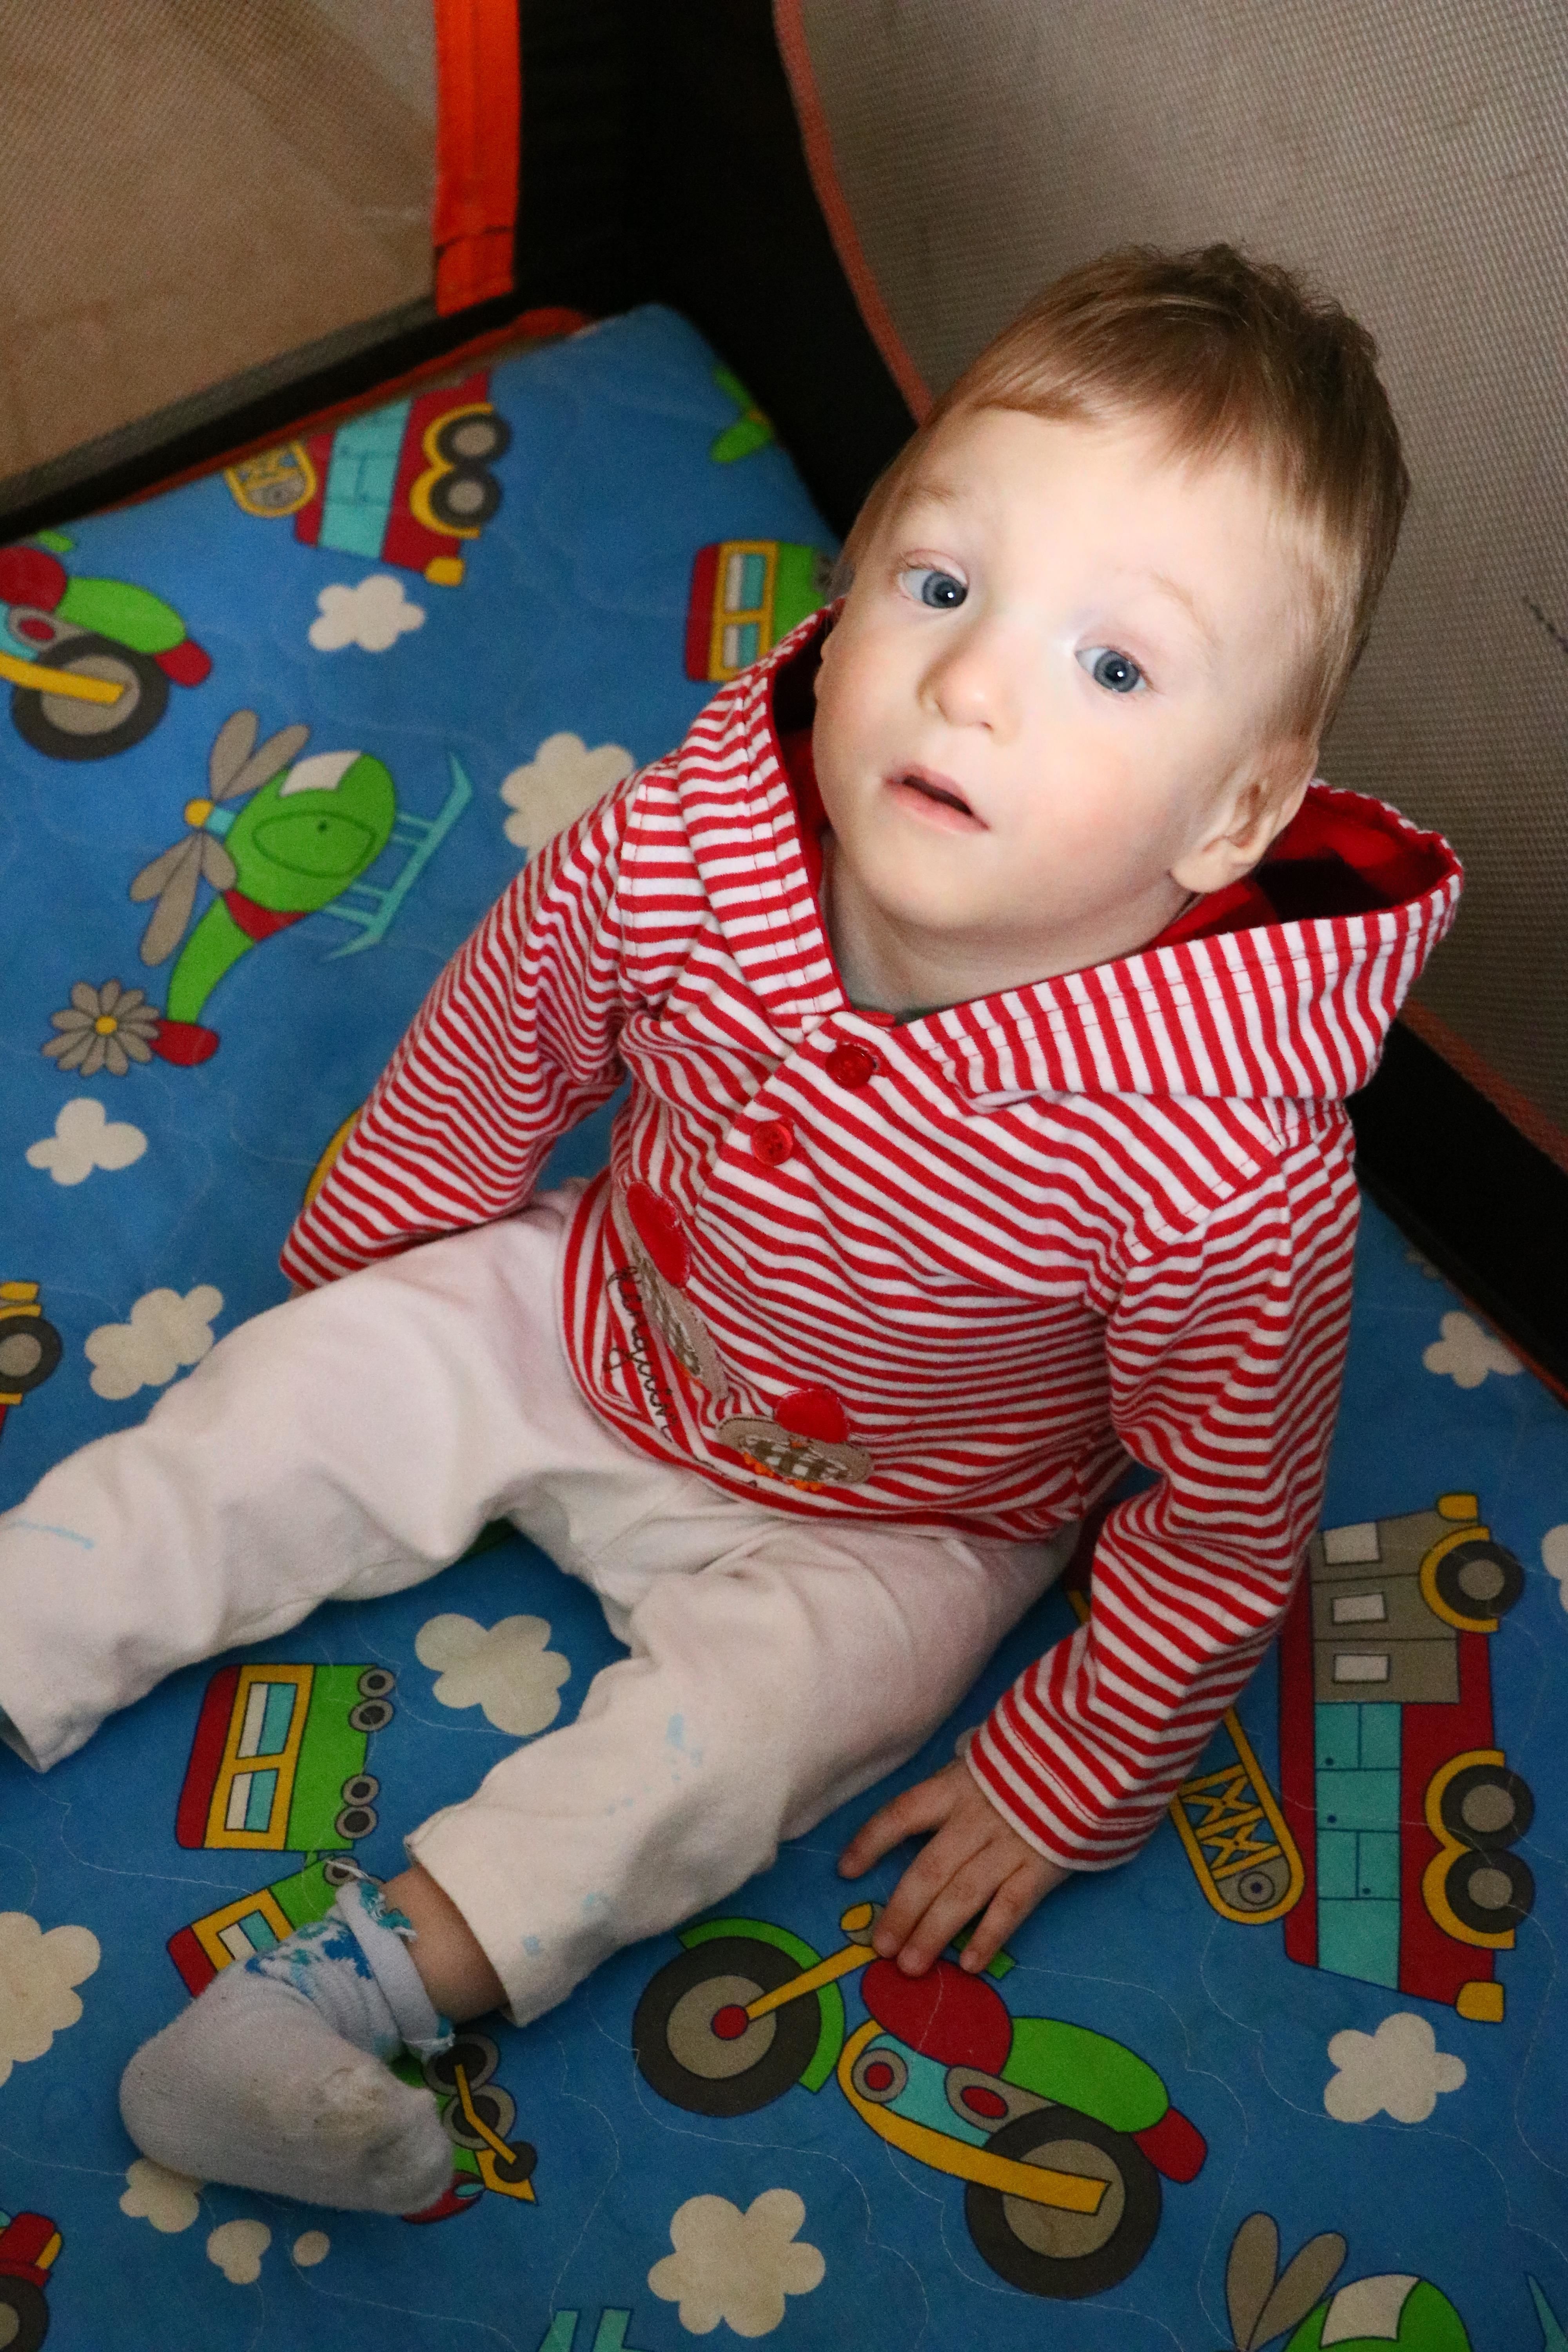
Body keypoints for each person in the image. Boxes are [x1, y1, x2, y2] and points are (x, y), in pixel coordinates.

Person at [0, 245, 1461, 2214]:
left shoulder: (1222, 1174)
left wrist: (1074, 1771)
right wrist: (383, 1259)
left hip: (899, 1520)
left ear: (1234, 817)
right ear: (851, 594)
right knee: (269, 1415)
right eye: (939, 585)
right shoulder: (694, 839)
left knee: (729, 1752)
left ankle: (321, 2012)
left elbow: (1224, 1514)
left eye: (1113, 667)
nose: (969, 683)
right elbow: (511, 1029)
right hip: (593, 1307)